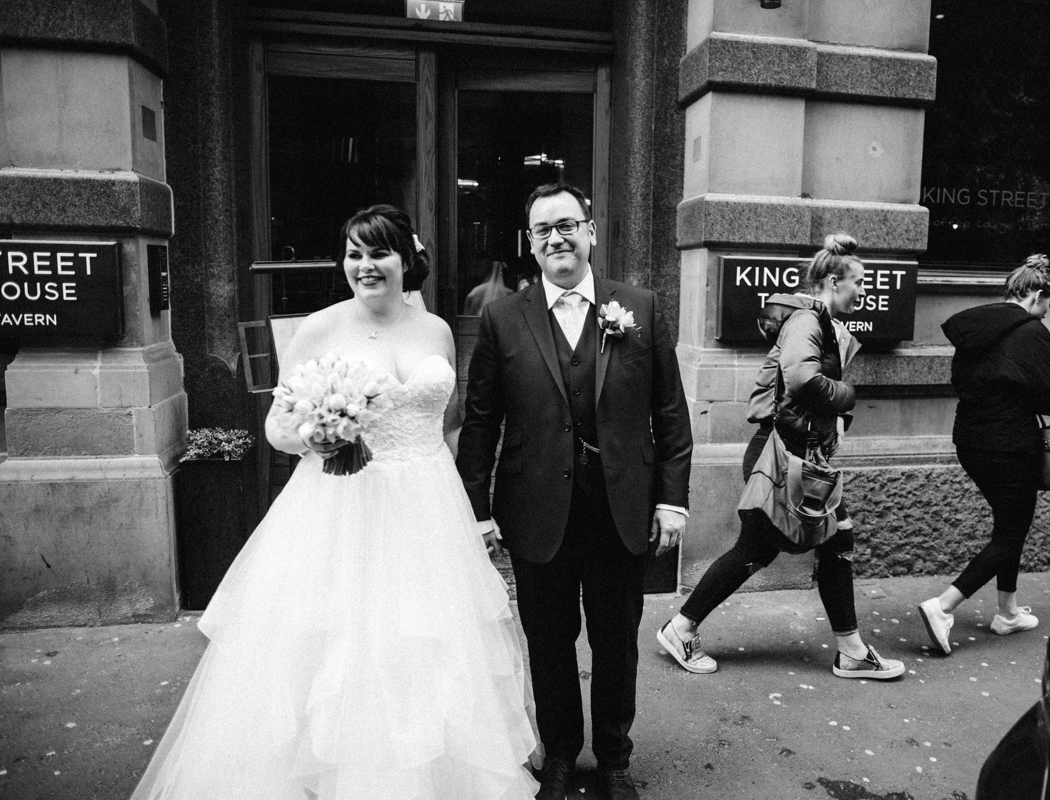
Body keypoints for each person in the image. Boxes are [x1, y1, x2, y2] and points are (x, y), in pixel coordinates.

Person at [131, 205, 541, 800]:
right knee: (342, 648)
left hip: (428, 508)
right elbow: (277, 426)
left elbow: (446, 423)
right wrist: (313, 437)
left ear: (407, 258)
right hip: (344, 510)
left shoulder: (437, 332)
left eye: (378, 253)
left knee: (427, 645)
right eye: (354, 253)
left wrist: (473, 511)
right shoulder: (319, 329)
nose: (365, 266)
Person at [456, 182, 692, 800]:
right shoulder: (504, 317)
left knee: (617, 642)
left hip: (621, 509)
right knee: (549, 641)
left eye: (567, 225)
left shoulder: (639, 306)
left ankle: (614, 758)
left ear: (590, 230)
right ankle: (560, 753)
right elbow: (481, 420)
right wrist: (476, 511)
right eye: (543, 231)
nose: (556, 238)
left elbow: (670, 410)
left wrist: (671, 499)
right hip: (536, 511)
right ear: (530, 245)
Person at [656, 233, 905, 681]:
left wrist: (834, 422)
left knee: (832, 540)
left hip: (796, 457)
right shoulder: (808, 322)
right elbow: (802, 378)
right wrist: (847, 397)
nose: (864, 290)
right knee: (763, 547)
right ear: (833, 281)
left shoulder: (819, 322)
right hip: (779, 457)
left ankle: (850, 650)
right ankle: (681, 627)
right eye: (859, 281)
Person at [918, 254, 1050, 655]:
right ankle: (943, 606)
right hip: (1010, 445)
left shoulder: (975, 329)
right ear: (1035, 295)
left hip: (970, 440)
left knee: (1008, 525)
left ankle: (1008, 612)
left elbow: (959, 381)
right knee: (1011, 532)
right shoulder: (1032, 334)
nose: (1048, 314)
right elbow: (1049, 398)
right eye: (1049, 304)